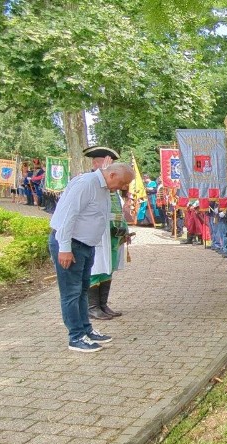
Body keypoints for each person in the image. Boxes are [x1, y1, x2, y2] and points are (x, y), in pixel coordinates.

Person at [49, 162, 135, 352]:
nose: (121, 188)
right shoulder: (86, 184)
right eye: (122, 183)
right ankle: (76, 337)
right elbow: (67, 215)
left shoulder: (104, 188)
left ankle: (86, 330)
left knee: (82, 290)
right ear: (112, 174)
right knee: (71, 292)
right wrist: (65, 247)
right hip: (71, 244)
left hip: (86, 245)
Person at [83, 146, 133, 320]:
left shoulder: (111, 186)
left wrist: (125, 230)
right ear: (96, 163)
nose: (109, 166)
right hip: (98, 234)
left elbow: (117, 210)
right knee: (96, 268)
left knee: (108, 268)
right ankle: (92, 306)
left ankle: (103, 304)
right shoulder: (90, 181)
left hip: (113, 234)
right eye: (107, 162)